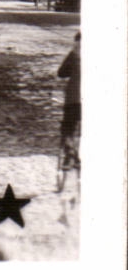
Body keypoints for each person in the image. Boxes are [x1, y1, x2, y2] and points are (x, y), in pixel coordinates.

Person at [57, 31, 80, 192]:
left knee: (67, 128)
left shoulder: (75, 54)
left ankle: (69, 154)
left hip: (73, 99)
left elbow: (61, 73)